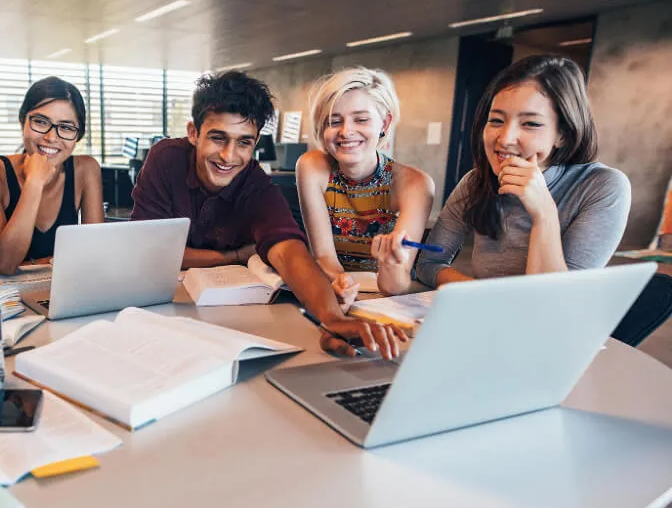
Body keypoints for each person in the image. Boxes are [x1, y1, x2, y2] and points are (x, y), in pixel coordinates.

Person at [131, 70, 405, 359]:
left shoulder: (255, 184)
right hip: (160, 308)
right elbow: (149, 251)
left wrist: (331, 318)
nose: (228, 156)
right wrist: (234, 256)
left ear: (255, 142)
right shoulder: (165, 159)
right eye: (218, 138)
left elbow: (288, 250)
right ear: (193, 133)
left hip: (223, 314)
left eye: (244, 142)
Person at [416, 54, 631, 287]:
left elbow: (557, 300)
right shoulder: (476, 181)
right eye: (496, 120)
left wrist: (543, 213)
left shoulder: (602, 186)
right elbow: (429, 264)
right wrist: (481, 295)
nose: (506, 139)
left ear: (563, 134)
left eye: (530, 123)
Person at [297, 68, 434, 301]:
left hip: (389, 302)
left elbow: (397, 286)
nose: (346, 131)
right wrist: (342, 283)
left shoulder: (415, 184)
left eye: (361, 119)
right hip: (336, 293)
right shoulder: (312, 167)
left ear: (384, 122)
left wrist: (389, 264)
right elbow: (324, 257)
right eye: (334, 121)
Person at [0, 76, 103, 274]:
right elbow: (5, 264)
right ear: (22, 122)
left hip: (64, 289)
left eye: (67, 127)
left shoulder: (85, 169)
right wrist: (34, 183)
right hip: (8, 297)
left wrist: (32, 264)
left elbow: (94, 256)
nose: (51, 137)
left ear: (78, 136)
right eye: (41, 122)